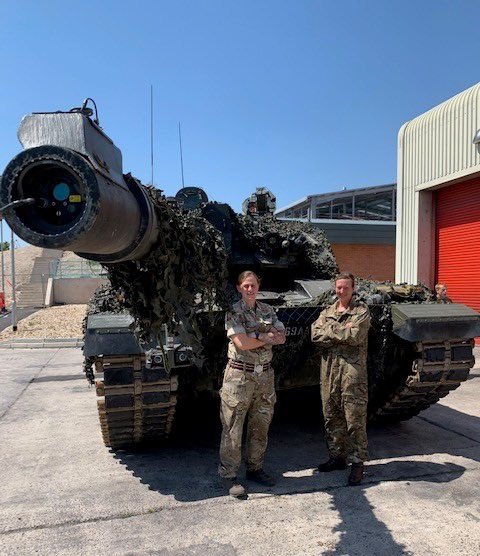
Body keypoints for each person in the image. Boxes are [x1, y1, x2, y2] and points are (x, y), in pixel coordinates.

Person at [219, 270, 286, 498]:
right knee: (233, 426)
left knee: (261, 424)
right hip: (239, 377)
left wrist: (256, 336)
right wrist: (264, 337)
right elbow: (241, 343)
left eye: (253, 285)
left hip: (264, 377)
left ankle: (255, 468)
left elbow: (282, 337)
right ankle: (230, 475)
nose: (250, 289)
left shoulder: (267, 310)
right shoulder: (234, 311)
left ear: (259, 286)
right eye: (245, 285)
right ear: (239, 287)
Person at [311, 272, 371, 486]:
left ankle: (358, 463)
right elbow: (315, 335)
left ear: (353, 288)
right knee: (331, 414)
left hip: (351, 373)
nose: (341, 291)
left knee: (354, 419)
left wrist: (330, 330)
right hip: (329, 371)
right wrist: (342, 329)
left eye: (345, 287)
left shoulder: (361, 312)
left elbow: (355, 336)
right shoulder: (327, 310)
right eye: (338, 287)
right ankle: (337, 457)